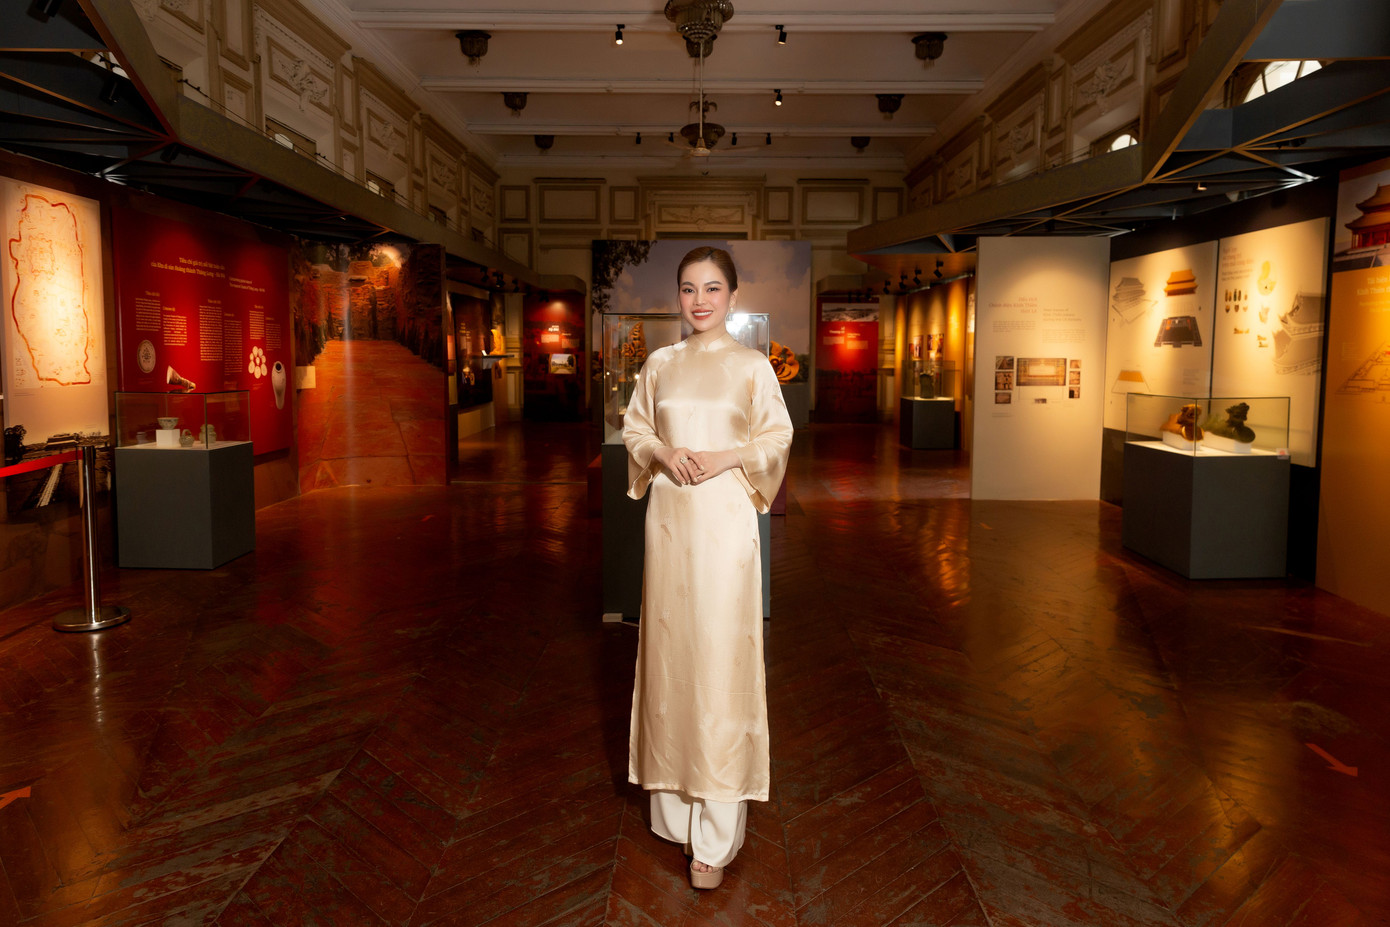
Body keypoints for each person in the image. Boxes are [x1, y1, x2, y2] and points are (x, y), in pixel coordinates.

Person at [621, 247, 794, 890]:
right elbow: (635, 430)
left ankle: (716, 835)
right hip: (669, 525)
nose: (700, 300)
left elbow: (776, 438)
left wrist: (725, 458)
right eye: (690, 288)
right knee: (670, 658)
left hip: (724, 526)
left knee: (721, 662)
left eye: (713, 288)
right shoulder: (659, 364)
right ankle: (673, 809)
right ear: (678, 294)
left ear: (732, 295)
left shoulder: (752, 367)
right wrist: (664, 452)